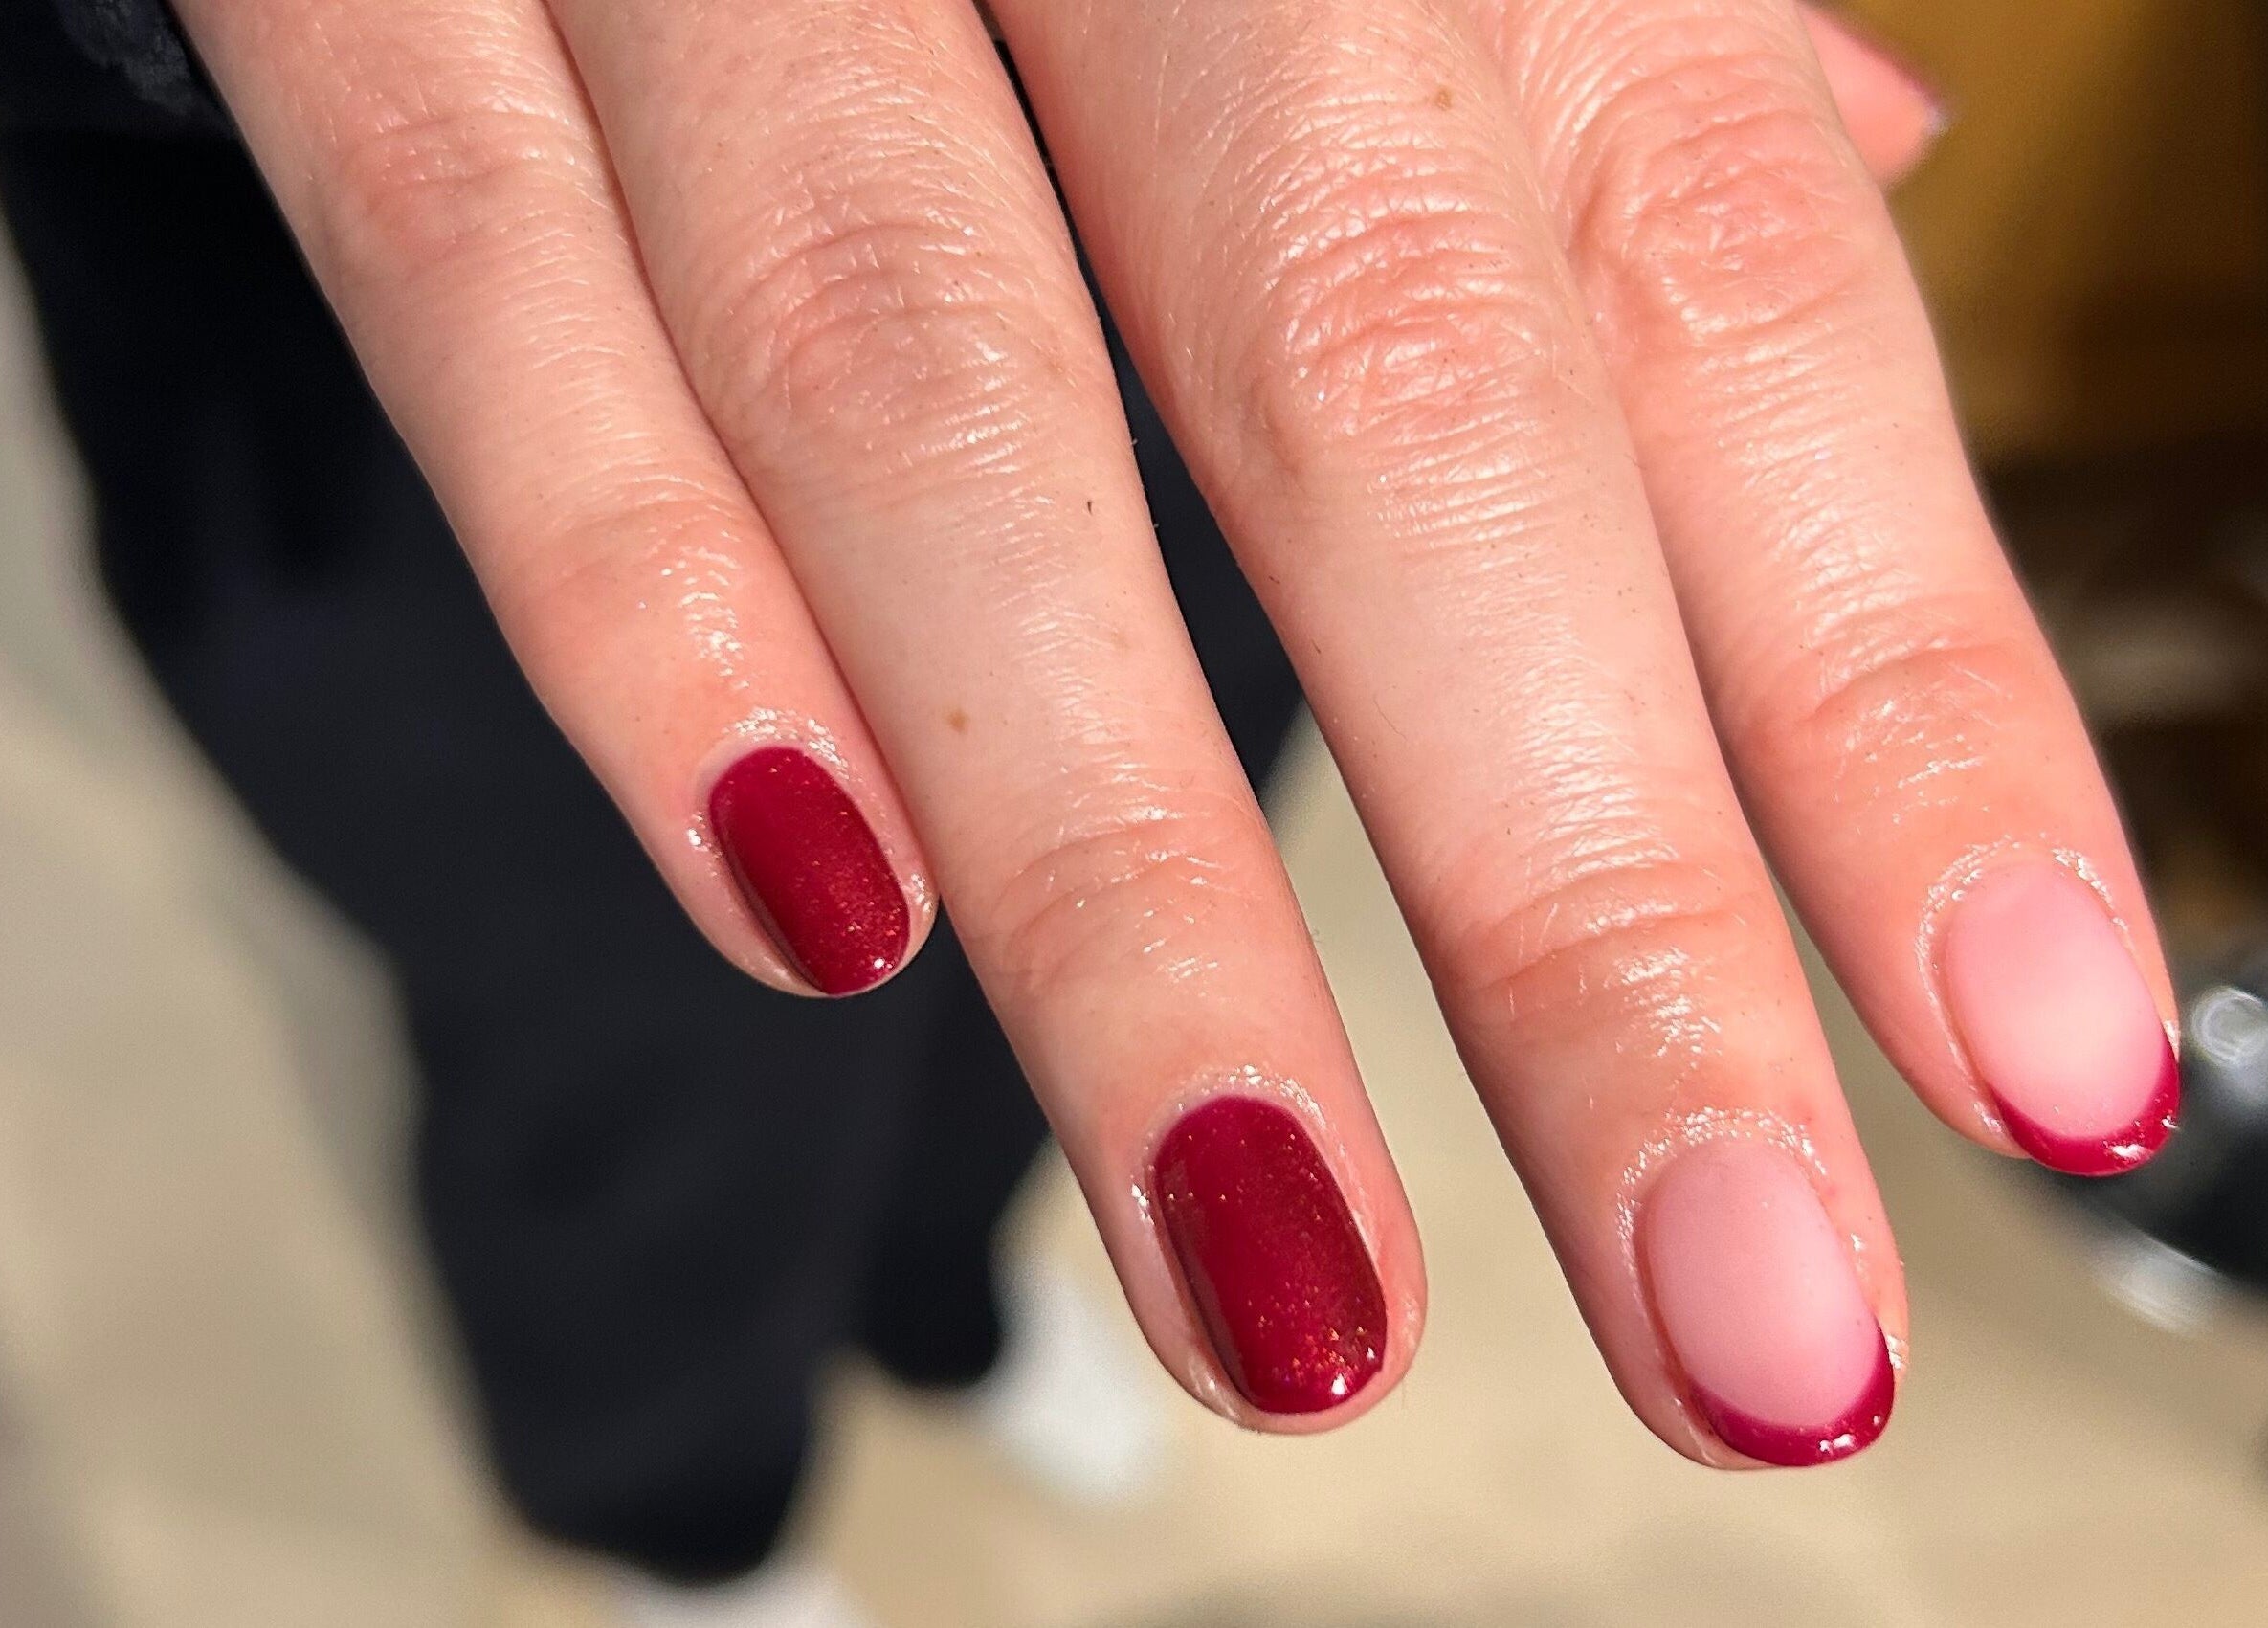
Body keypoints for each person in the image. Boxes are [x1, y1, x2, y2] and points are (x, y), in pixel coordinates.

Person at [1, 1, 2162, 1622]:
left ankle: (941, 1294)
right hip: (393, 290)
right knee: (654, 1035)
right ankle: (691, 1512)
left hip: (1252, 133)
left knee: (1133, 925)